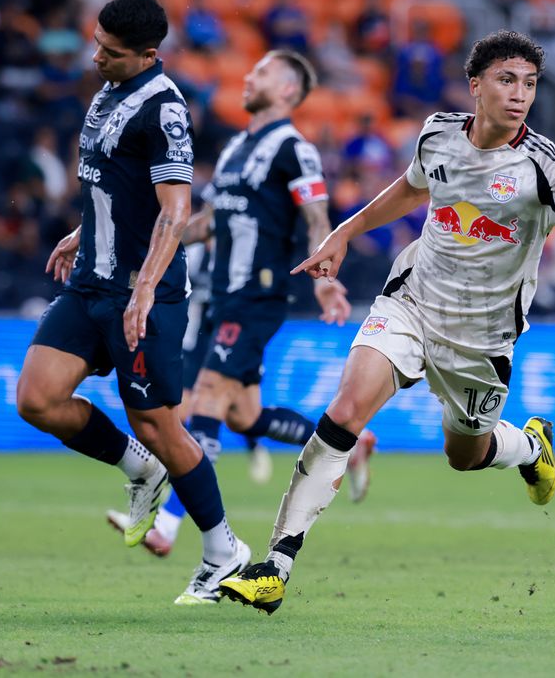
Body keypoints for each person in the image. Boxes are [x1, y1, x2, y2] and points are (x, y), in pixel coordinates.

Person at [217, 30, 555, 615]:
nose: (520, 94)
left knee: (463, 454)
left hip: (482, 336)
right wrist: (343, 232)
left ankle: (528, 447)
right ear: (477, 86)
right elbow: (410, 189)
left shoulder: (543, 166)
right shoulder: (438, 132)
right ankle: (275, 567)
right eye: (507, 80)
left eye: (530, 84)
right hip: (412, 302)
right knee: (344, 412)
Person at [15, 0, 251, 605]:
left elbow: (176, 209)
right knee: (37, 399)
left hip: (143, 293)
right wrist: (79, 232)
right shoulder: (106, 92)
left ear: (149, 55)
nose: (97, 57)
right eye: (96, 43)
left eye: (111, 52)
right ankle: (138, 468)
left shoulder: (166, 111)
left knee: (161, 424)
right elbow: (110, 187)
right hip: (90, 279)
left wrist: (144, 287)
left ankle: (224, 549)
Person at [108, 49, 364, 559]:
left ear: (289, 89)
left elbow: (316, 217)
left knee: (201, 402)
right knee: (244, 416)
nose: (247, 77)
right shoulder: (231, 152)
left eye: (262, 72)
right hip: (222, 298)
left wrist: (322, 274)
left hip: (257, 295)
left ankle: (167, 526)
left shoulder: (295, 148)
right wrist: (152, 245)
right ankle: (351, 442)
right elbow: (206, 222)